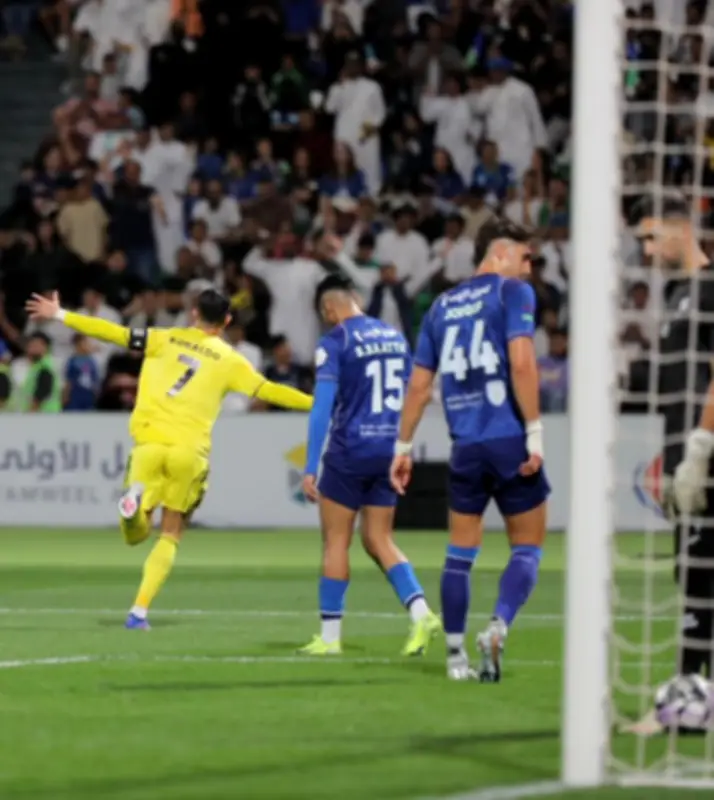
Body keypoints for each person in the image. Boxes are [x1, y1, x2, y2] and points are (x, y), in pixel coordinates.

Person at [25, 289, 313, 630]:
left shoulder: (163, 338)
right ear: (227, 321)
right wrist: (317, 403)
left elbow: (113, 333)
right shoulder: (231, 359)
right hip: (189, 451)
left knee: (134, 535)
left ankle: (132, 506)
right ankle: (138, 612)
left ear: (193, 314)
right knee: (172, 532)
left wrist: (61, 315)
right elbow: (269, 391)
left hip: (148, 444)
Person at [389, 218, 550, 681]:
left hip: (465, 447)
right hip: (507, 440)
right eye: (525, 257)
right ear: (499, 254)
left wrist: (402, 447)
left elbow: (419, 388)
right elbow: (521, 362)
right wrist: (535, 432)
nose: (529, 267)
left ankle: (456, 656)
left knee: (460, 551)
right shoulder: (511, 292)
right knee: (528, 546)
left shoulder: (440, 307)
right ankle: (498, 624)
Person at [299, 275, 440, 657]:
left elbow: (321, 410)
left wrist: (311, 465)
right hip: (388, 450)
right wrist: (404, 446)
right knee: (379, 539)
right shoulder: (395, 337)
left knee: (336, 541)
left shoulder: (335, 342)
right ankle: (421, 612)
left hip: (349, 451)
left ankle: (329, 638)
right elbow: (415, 393)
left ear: (329, 310)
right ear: (357, 299)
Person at [634, 196, 714, 682]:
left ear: (680, 229)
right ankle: (693, 697)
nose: (645, 250)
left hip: (705, 455)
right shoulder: (678, 294)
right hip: (683, 452)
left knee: (701, 574)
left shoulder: (710, 289)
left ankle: (687, 698)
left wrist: (700, 450)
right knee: (691, 573)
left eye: (650, 235)